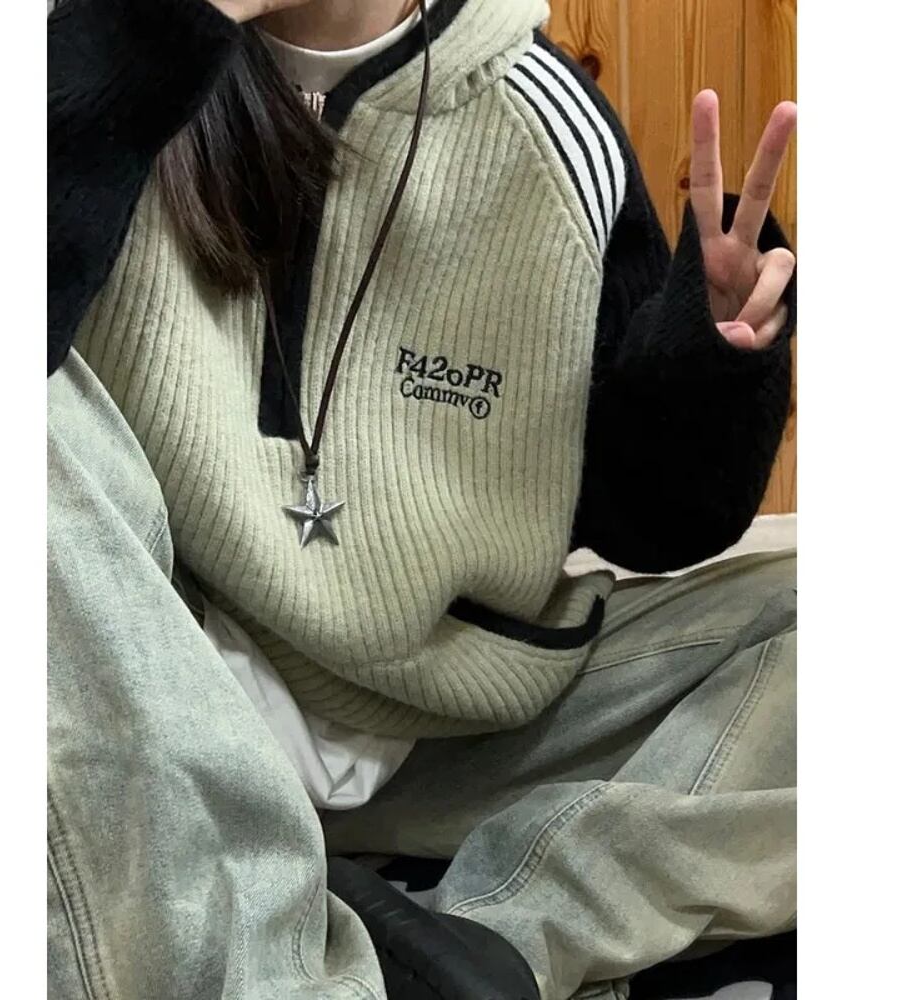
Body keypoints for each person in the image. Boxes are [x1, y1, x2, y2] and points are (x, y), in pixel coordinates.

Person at [47, 1, 797, 998]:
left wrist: (706, 361)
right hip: (163, 718)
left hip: (443, 721)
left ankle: (489, 944)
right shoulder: (84, 44)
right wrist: (147, 41)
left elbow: (644, 518)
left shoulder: (548, 121)